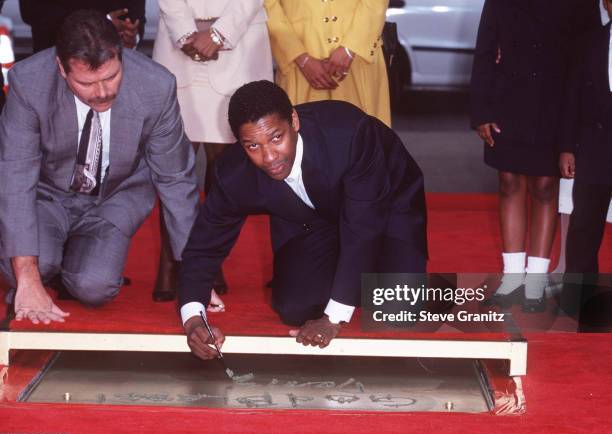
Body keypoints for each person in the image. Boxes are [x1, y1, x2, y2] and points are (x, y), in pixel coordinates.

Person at [178, 80, 427, 361]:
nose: (269, 157)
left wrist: (334, 317)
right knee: (295, 309)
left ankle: (374, 276)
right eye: (252, 146)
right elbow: (204, 244)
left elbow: (363, 228)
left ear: (294, 121)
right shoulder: (232, 173)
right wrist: (193, 317)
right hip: (312, 219)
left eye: (276, 138)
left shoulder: (351, 133)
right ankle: (353, 278)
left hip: (386, 203)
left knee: (400, 309)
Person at [0, 10, 200, 325]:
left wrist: (197, 279)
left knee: (96, 286)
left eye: (111, 77)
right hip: (47, 194)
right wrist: (26, 276)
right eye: (87, 83)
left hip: (114, 197)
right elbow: (15, 175)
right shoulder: (29, 82)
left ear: (121, 56)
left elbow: (176, 180)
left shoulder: (156, 85)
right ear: (62, 70)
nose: (102, 92)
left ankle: (67, 260)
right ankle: (43, 261)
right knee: (30, 266)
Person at [470, 0, 601, 307]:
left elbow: (591, 51)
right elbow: (485, 48)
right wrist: (481, 111)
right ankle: (513, 278)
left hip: (558, 104)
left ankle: (536, 281)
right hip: (507, 101)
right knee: (509, 182)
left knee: (545, 187)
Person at [151, 0, 273, 302]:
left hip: (240, 44)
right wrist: (185, 33)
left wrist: (219, 34)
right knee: (174, 166)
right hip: (178, 44)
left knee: (223, 170)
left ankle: (208, 262)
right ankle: (169, 262)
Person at [553, 0, 612, 274]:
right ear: (606, 4)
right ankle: (581, 302)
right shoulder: (588, 43)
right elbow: (570, 99)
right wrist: (567, 147)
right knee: (584, 228)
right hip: (594, 150)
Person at [264, 0, 391, 127]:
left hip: (358, 59)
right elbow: (269, 6)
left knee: (364, 137)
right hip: (298, 66)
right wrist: (300, 57)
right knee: (302, 137)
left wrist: (351, 47)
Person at [19, 0, 145, 51]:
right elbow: (32, 12)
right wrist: (101, 24)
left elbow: (135, 12)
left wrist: (132, 36)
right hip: (55, 63)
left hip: (118, 64)